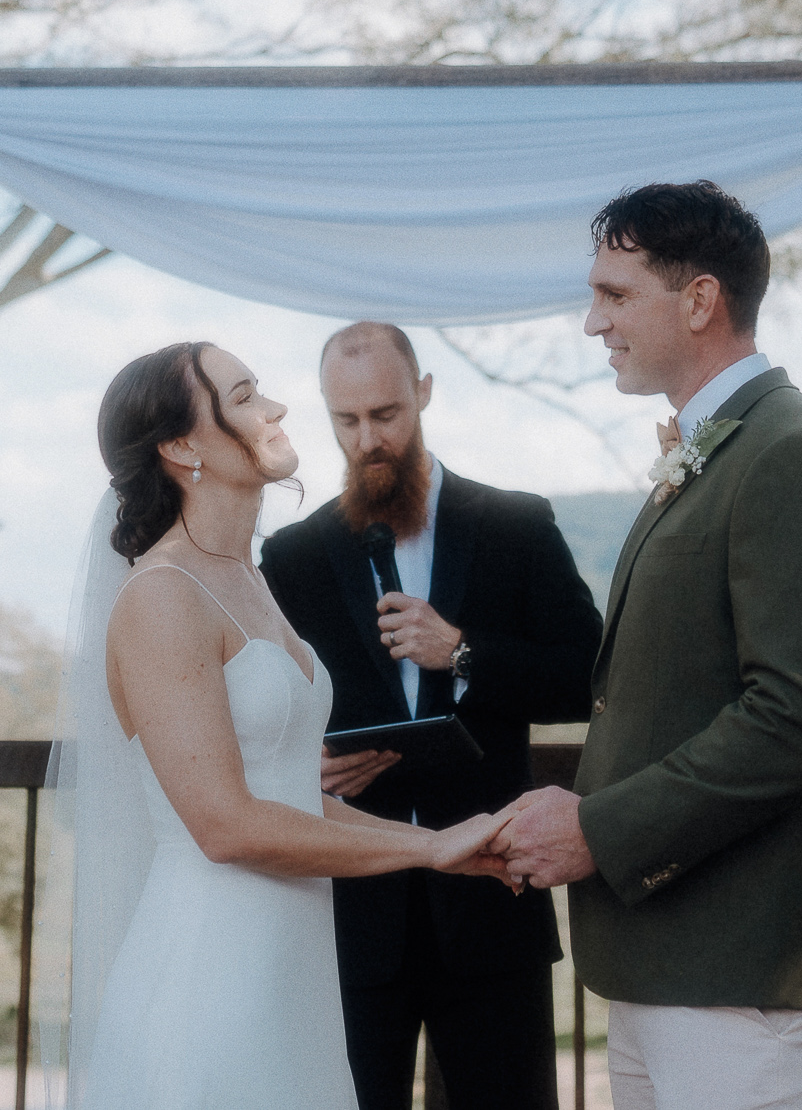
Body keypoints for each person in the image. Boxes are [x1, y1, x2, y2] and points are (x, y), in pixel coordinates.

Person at [491, 182, 802, 1110]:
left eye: (616, 294)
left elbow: (799, 718)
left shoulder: (798, 454)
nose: (595, 322)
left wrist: (600, 828)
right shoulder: (721, 450)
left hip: (751, 977)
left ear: (701, 299)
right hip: (668, 963)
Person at [72, 340, 511, 1109]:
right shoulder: (162, 595)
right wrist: (429, 845)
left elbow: (287, 794)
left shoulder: (245, 578)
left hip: (293, 971)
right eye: (243, 396)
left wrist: (443, 845)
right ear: (181, 445)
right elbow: (226, 824)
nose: (274, 408)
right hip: (211, 975)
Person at [262, 323, 604, 1110]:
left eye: (386, 413)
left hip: (493, 900)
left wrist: (463, 651)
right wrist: (301, 763)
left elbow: (589, 676)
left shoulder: (516, 524)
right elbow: (262, 712)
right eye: (345, 421)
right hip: (350, 916)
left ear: (424, 392)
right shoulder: (292, 556)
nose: (368, 439)